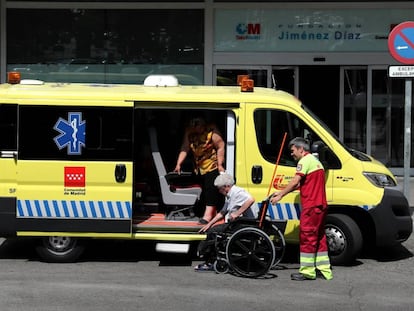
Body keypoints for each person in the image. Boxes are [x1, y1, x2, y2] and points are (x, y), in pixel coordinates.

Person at [270, 137, 333, 281]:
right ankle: (324, 270)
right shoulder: (317, 163)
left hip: (311, 206)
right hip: (320, 205)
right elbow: (305, 184)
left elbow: (295, 181)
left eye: (293, 151)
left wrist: (280, 194)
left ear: (301, 149)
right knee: (319, 237)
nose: (291, 154)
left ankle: (307, 272)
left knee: (307, 238)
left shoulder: (304, 161)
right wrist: (284, 190)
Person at [194, 173, 258, 272]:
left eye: (220, 188)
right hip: (237, 224)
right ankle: (209, 257)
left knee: (213, 233)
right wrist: (209, 224)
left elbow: (251, 199)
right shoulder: (229, 195)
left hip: (242, 225)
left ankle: (209, 261)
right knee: (211, 229)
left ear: (226, 186)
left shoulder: (237, 192)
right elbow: (222, 212)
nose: (219, 191)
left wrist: (237, 213)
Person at [174, 117, 226, 224]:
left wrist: (220, 164)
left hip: (212, 164)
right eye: (195, 125)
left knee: (210, 187)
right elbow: (185, 148)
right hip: (199, 167)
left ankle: (208, 216)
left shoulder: (211, 130)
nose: (197, 128)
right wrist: (179, 164)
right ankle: (206, 211)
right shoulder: (189, 132)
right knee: (203, 190)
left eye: (199, 125)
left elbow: (221, 146)